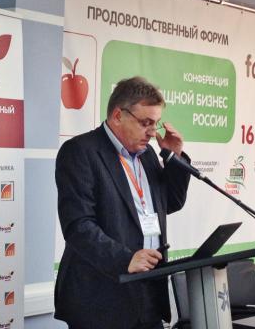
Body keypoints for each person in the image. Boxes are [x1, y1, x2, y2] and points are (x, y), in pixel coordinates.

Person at [55, 76, 191, 329]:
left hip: (149, 291)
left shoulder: (147, 154)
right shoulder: (81, 151)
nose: (152, 132)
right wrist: (125, 259)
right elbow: (78, 225)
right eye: (145, 123)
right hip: (101, 299)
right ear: (118, 115)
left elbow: (170, 202)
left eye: (155, 124)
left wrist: (175, 158)